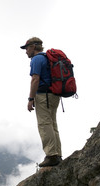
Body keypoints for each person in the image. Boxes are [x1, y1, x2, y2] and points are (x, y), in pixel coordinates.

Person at [20, 37, 62, 167]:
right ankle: (57, 154)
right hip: (54, 95)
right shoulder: (47, 58)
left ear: (33, 46)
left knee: (44, 124)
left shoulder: (37, 59)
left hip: (44, 96)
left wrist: (30, 99)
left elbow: (35, 79)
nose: (26, 51)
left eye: (27, 48)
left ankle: (51, 155)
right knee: (52, 124)